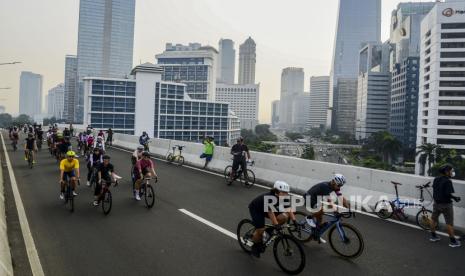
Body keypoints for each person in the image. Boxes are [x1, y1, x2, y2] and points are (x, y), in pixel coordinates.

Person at [248, 181, 296, 258]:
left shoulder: (284, 197)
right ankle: (254, 247)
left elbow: (289, 209)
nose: (286, 195)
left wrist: (294, 221)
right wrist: (276, 224)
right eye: (283, 192)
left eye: (287, 193)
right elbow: (270, 213)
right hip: (257, 209)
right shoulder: (270, 198)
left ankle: (270, 230)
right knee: (260, 230)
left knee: (284, 217)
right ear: (276, 191)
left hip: (268, 209)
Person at [429, 164, 461, 248]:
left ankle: (433, 236)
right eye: (451, 170)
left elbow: (436, 190)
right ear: (446, 172)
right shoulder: (448, 181)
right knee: (449, 223)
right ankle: (453, 242)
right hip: (446, 205)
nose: (452, 172)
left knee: (433, 219)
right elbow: (447, 194)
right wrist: (455, 198)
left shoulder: (436, 179)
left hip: (436, 203)